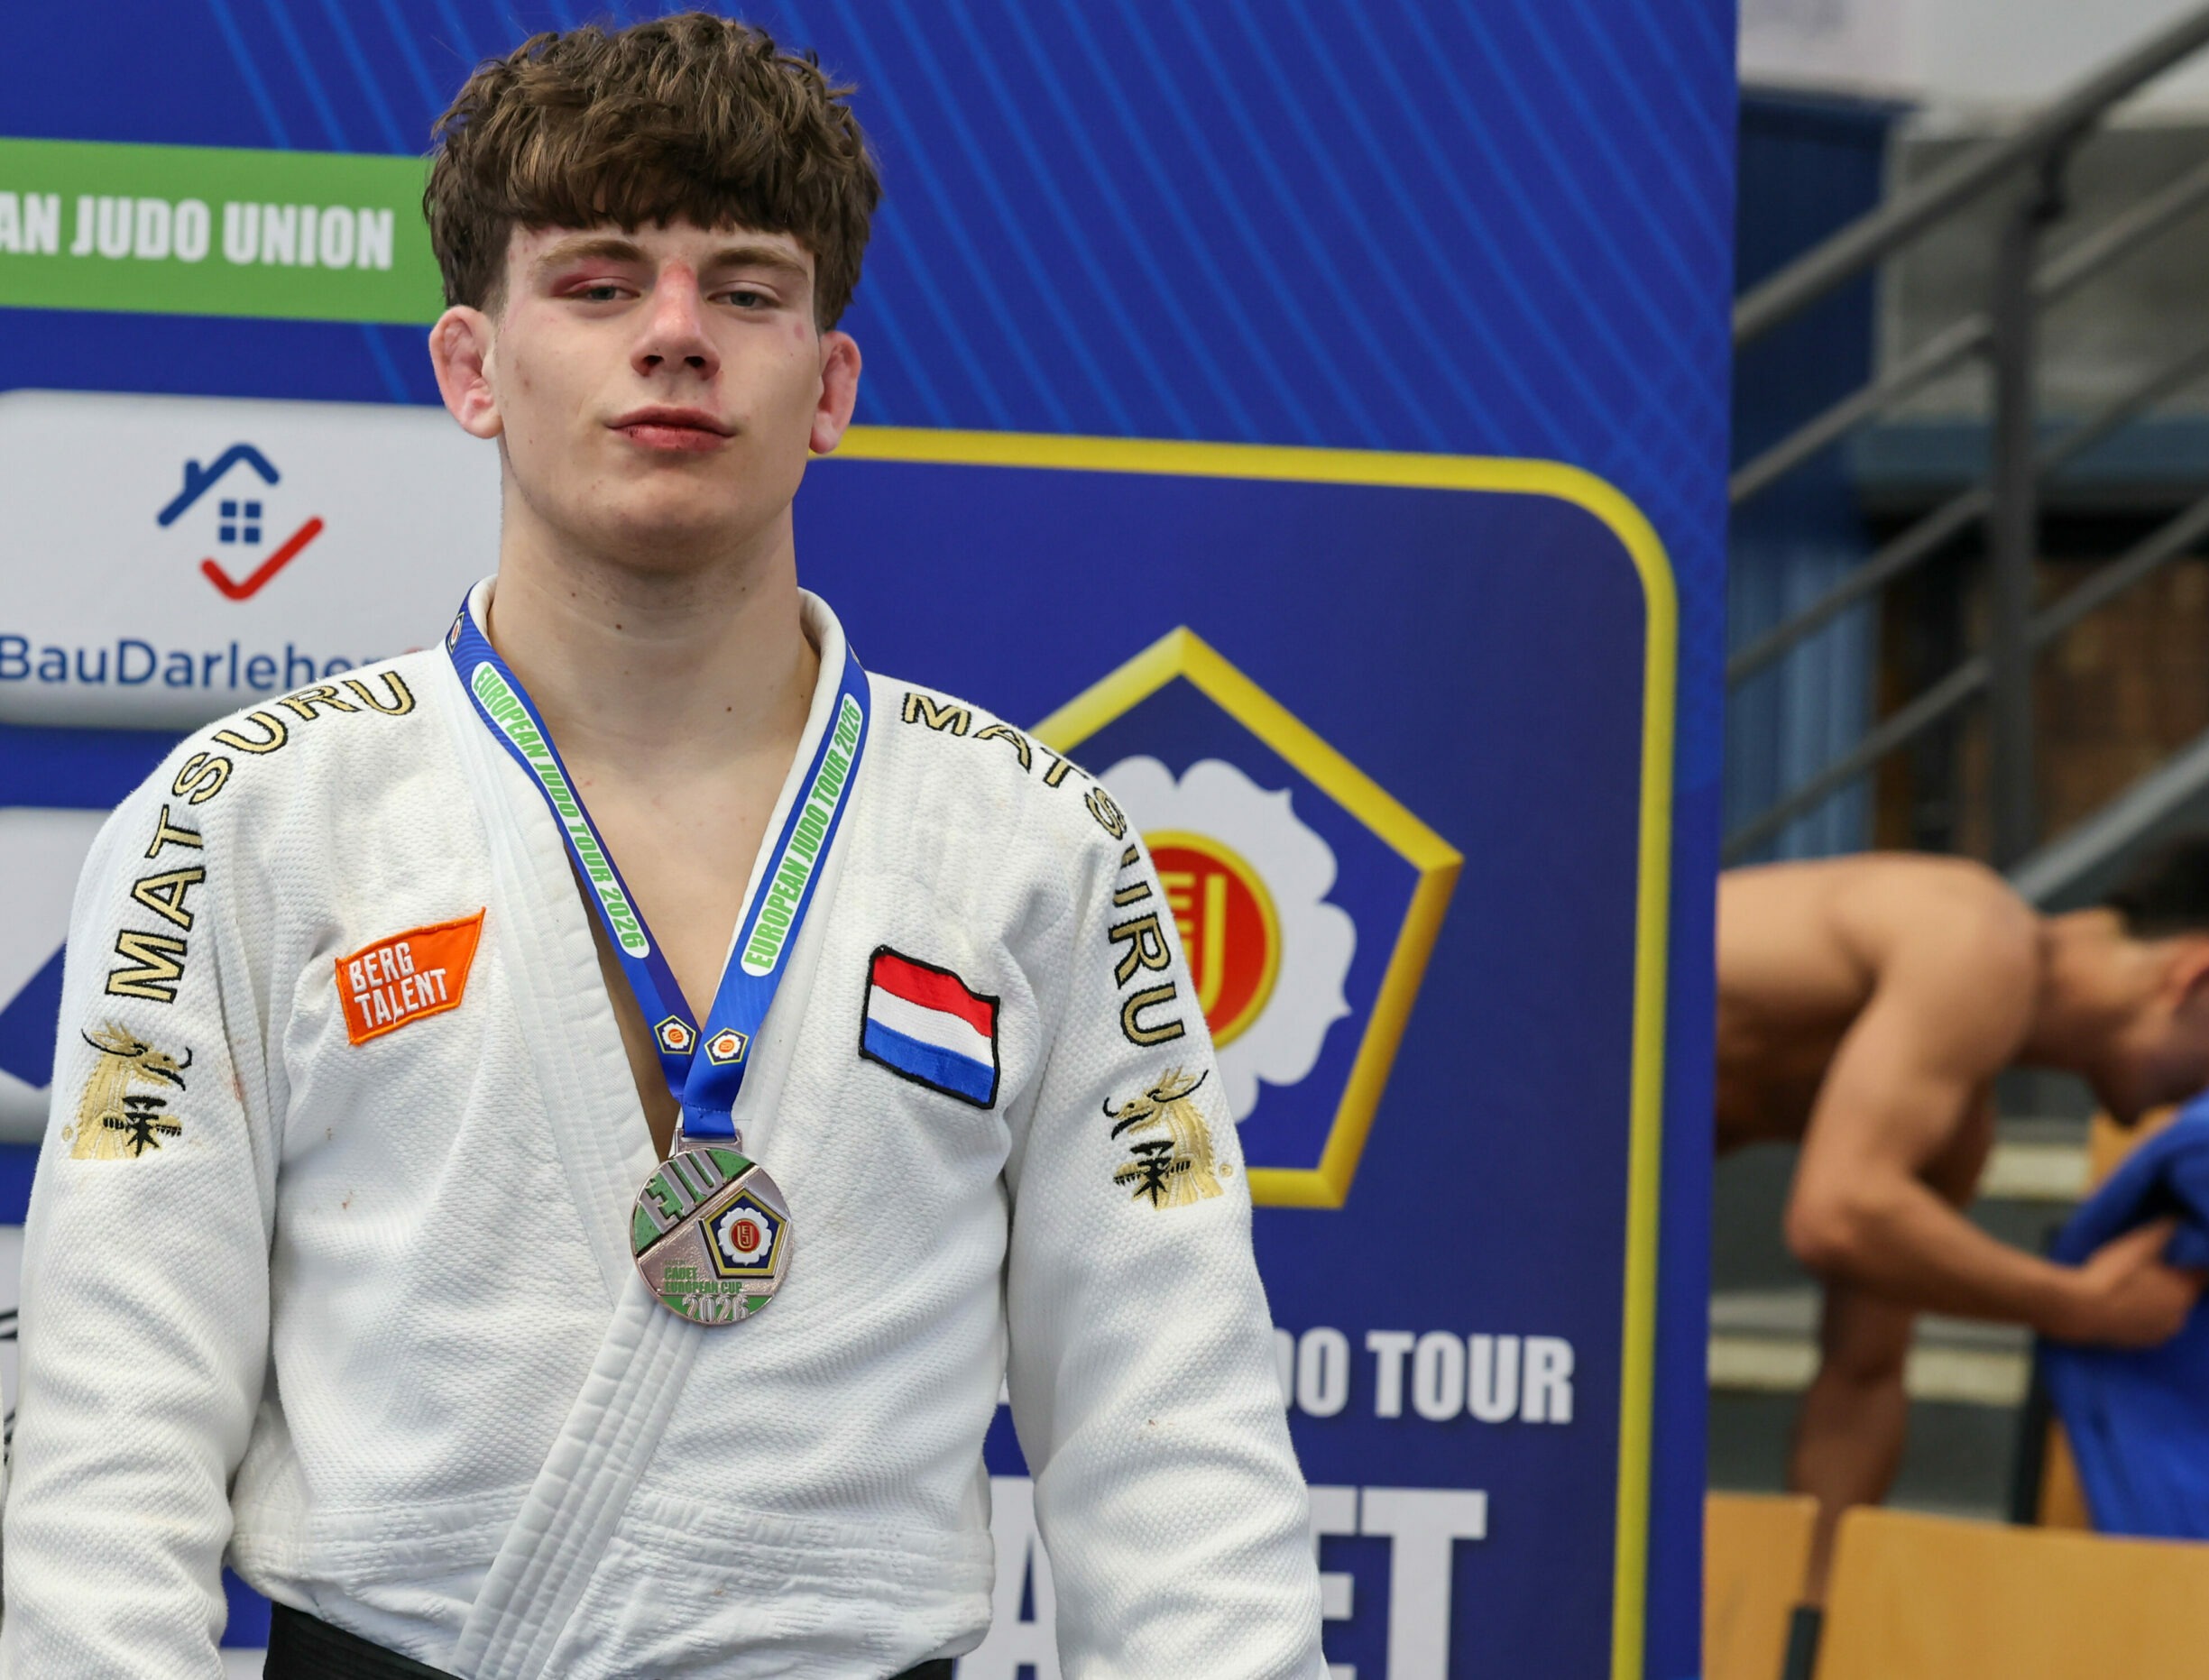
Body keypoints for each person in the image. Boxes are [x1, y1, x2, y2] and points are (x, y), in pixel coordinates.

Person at [0, 16, 1323, 1678]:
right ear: (473, 368)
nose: (678, 335)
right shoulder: (251, 817)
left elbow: (1177, 1441)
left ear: (828, 387)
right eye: (600, 283)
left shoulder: (1032, 847)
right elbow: (111, 1436)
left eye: (749, 291)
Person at [1717, 837, 2209, 1586]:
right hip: (1563, 1041)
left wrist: (1814, 1611)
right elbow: (1837, 1213)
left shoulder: (1953, 1126)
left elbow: (1860, 1378)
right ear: (2196, 976)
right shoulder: (1973, 935)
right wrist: (2081, 1304)